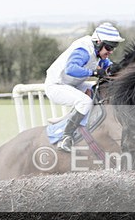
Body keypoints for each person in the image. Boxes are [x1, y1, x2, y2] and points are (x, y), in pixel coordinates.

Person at [44, 22, 125, 151]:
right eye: (109, 47)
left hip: (72, 84)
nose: (111, 51)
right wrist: (94, 73)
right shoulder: (83, 50)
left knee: (97, 90)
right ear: (98, 42)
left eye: (113, 48)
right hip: (56, 86)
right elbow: (71, 68)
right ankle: (66, 137)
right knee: (85, 101)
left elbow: (107, 66)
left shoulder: (98, 52)